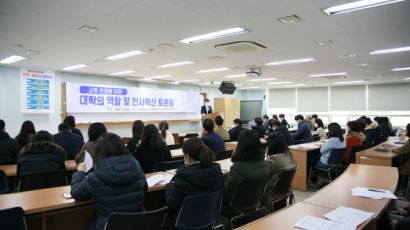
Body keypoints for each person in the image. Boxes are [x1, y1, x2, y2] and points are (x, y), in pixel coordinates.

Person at [71, 133, 147, 230]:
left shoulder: (96, 174)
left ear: (99, 152)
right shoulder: (136, 165)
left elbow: (77, 193)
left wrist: (80, 172)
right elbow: (145, 187)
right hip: (138, 224)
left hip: (108, 225)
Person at [165, 138, 224, 213]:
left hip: (186, 220)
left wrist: (169, 187)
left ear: (187, 156)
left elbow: (172, 206)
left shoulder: (182, 177)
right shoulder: (216, 170)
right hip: (211, 214)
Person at [222, 129, 270, 218]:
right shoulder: (266, 165)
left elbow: (227, 196)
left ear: (240, 146)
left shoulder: (238, 168)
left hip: (236, 208)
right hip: (256, 204)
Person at [263, 131, 296, 213]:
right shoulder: (289, 154)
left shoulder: (274, 160)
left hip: (270, 193)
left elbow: (260, 175)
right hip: (284, 192)